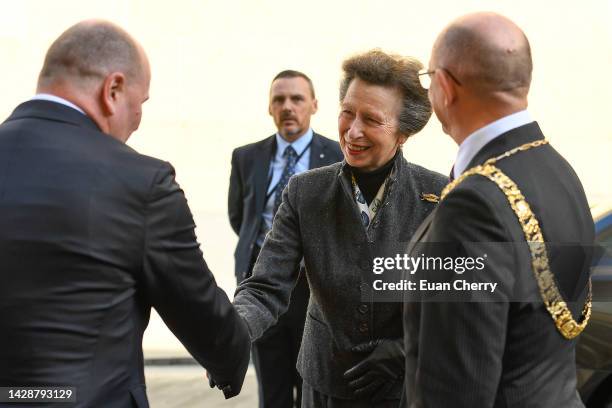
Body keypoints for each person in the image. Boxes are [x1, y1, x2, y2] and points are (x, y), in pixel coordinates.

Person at [0, 20, 249, 407]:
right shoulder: (140, 182)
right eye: (141, 103)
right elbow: (201, 313)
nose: (137, 119)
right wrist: (231, 359)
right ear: (113, 89)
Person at [233, 49, 447, 407]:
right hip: (325, 384)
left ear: (404, 132)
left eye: (372, 119)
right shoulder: (305, 192)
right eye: (347, 113)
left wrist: (404, 348)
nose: (353, 131)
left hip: (405, 389)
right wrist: (231, 336)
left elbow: (458, 299)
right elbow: (265, 286)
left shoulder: (439, 197)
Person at [402, 12, 595, 407]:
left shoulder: (472, 206)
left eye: (428, 79)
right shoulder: (559, 170)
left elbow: (457, 390)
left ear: (444, 86)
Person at [228, 70, 342, 408]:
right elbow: (240, 217)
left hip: (316, 293)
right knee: (272, 392)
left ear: (314, 105)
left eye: (297, 99)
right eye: (279, 99)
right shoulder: (247, 157)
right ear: (269, 107)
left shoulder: (339, 154)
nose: (288, 107)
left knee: (312, 387)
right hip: (263, 289)